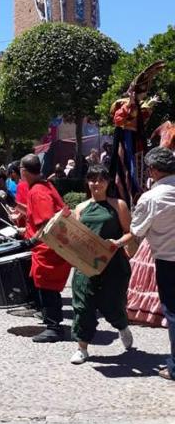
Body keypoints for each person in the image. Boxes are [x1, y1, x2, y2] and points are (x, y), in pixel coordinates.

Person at [70, 164, 133, 364]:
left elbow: (130, 231)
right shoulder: (80, 208)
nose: (96, 184)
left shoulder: (118, 205)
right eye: (92, 179)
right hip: (86, 265)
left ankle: (122, 326)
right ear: (87, 182)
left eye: (101, 179)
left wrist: (118, 243)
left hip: (113, 264)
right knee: (83, 306)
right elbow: (75, 235)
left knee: (113, 304)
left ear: (108, 182)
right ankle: (82, 347)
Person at [129, 147, 175, 382]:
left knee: (174, 313)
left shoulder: (151, 197)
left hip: (169, 261)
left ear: (154, 170)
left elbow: (137, 230)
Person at [18, 154, 71, 343]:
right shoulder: (44, 186)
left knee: (47, 287)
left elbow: (48, 222)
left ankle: (54, 328)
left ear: (24, 171)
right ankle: (51, 322)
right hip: (49, 246)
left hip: (47, 249)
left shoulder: (37, 191)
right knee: (45, 286)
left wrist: (31, 240)